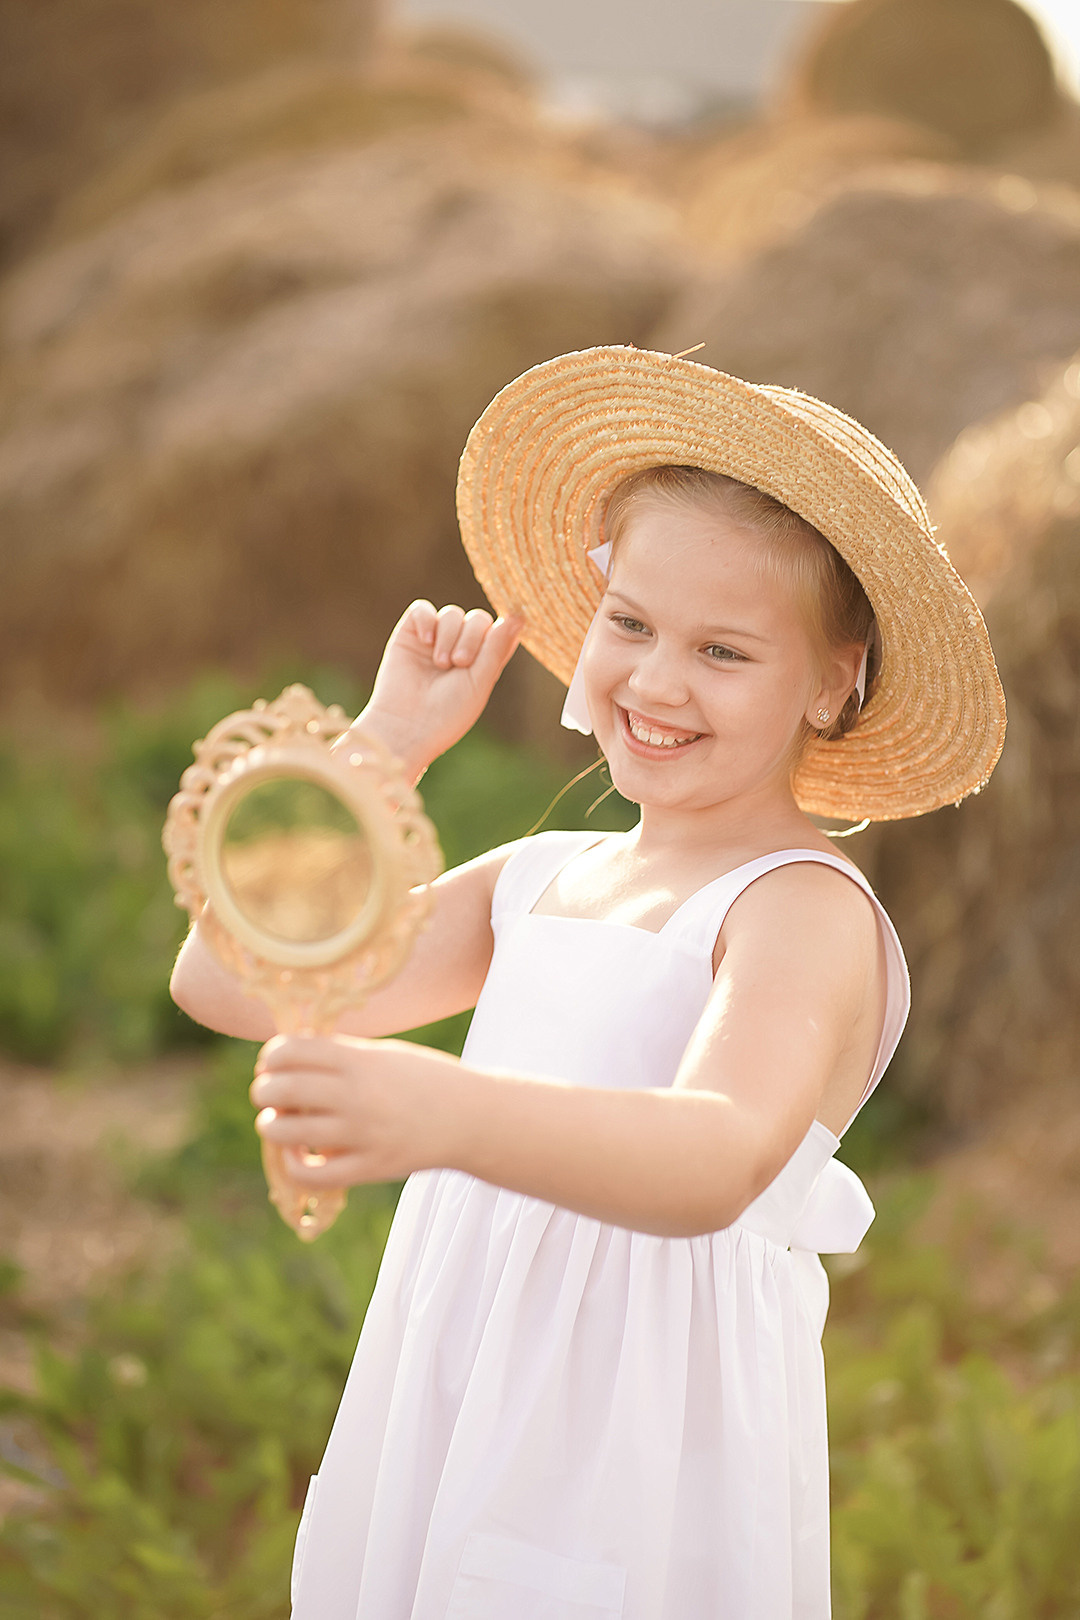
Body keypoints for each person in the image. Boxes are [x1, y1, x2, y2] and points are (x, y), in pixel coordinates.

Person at [170, 347, 1006, 1619]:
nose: (657, 682)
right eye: (631, 624)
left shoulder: (795, 910)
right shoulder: (540, 880)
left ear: (832, 682)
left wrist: (446, 1115)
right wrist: (382, 752)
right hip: (453, 1383)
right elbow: (229, 982)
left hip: (634, 1445)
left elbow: (711, 1157)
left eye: (724, 651)